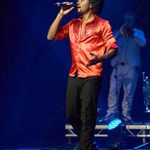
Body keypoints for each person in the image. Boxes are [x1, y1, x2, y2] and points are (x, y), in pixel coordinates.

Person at [47, 0, 118, 149]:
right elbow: (51, 36)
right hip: (75, 73)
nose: (77, 2)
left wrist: (100, 57)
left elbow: (113, 48)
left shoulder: (103, 24)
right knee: (71, 114)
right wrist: (61, 14)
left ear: (91, 4)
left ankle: (85, 146)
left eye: (81, 0)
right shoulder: (73, 23)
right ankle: (89, 144)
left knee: (87, 116)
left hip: (92, 74)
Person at [102, 11, 147, 123]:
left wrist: (132, 34)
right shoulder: (118, 32)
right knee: (113, 91)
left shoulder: (138, 33)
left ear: (134, 20)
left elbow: (143, 43)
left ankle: (126, 115)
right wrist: (119, 35)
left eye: (130, 19)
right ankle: (111, 114)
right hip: (117, 67)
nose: (128, 21)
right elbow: (109, 45)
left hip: (131, 67)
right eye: (126, 19)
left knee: (128, 93)